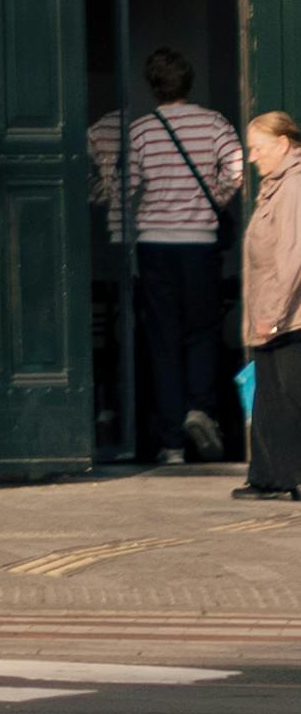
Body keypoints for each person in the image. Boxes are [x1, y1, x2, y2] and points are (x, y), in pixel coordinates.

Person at [89, 46, 246, 465]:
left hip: (156, 244)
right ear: (189, 83)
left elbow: (128, 185)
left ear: (153, 86)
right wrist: (212, 198)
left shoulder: (141, 131)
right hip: (200, 243)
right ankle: (201, 408)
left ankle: (172, 443)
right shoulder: (214, 123)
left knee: (163, 340)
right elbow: (236, 169)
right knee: (202, 330)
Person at [244, 113, 301, 501]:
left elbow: (292, 257)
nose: (252, 157)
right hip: (273, 313)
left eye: (258, 147)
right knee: (269, 395)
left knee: (290, 395)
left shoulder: (294, 187)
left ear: (283, 144)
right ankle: (268, 477)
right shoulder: (276, 186)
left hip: (289, 317)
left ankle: (287, 476)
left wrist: (275, 315)